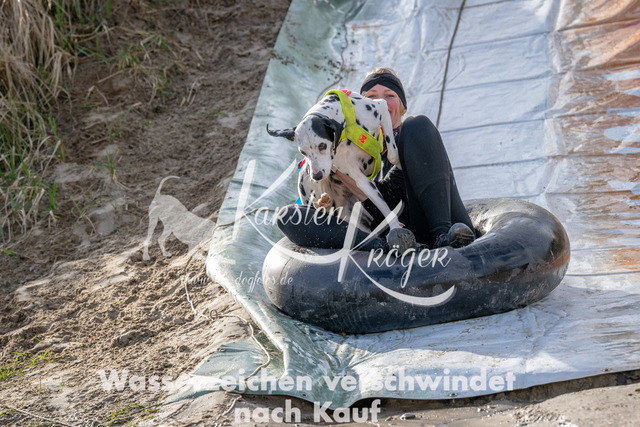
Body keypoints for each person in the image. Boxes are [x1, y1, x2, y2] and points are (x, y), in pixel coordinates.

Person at [277, 67, 475, 250]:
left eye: (390, 95)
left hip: (423, 224)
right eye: (371, 96)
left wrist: (346, 173)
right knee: (288, 216)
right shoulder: (346, 151)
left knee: (417, 124)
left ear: (402, 106)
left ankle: (442, 235)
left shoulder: (413, 138)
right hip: (386, 239)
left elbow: (394, 196)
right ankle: (381, 247)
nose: (381, 102)